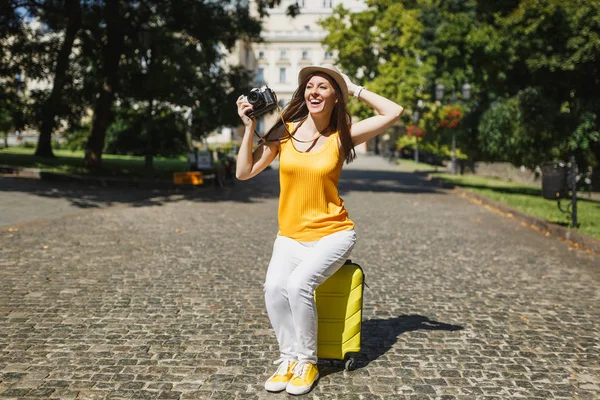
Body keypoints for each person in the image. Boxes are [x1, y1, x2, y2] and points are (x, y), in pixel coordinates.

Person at [235, 64, 403, 395]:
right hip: (291, 236)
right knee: (273, 288)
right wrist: (249, 127)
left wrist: (353, 87)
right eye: (310, 86)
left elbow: (393, 111)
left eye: (324, 87)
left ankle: (308, 362)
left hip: (333, 234)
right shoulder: (284, 132)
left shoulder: (342, 135)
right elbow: (244, 172)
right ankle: (288, 359)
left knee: (299, 284)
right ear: (303, 94)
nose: (314, 91)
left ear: (335, 98)